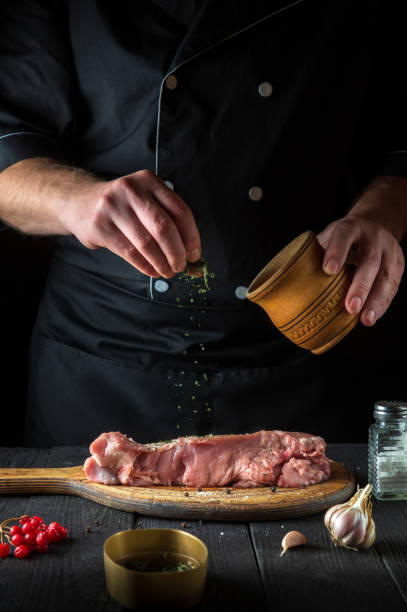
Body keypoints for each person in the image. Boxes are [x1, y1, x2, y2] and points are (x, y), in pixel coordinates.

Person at [0, 1, 405, 447]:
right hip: (105, 361)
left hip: (299, 357)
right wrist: (74, 200)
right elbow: (7, 145)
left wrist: (376, 216)